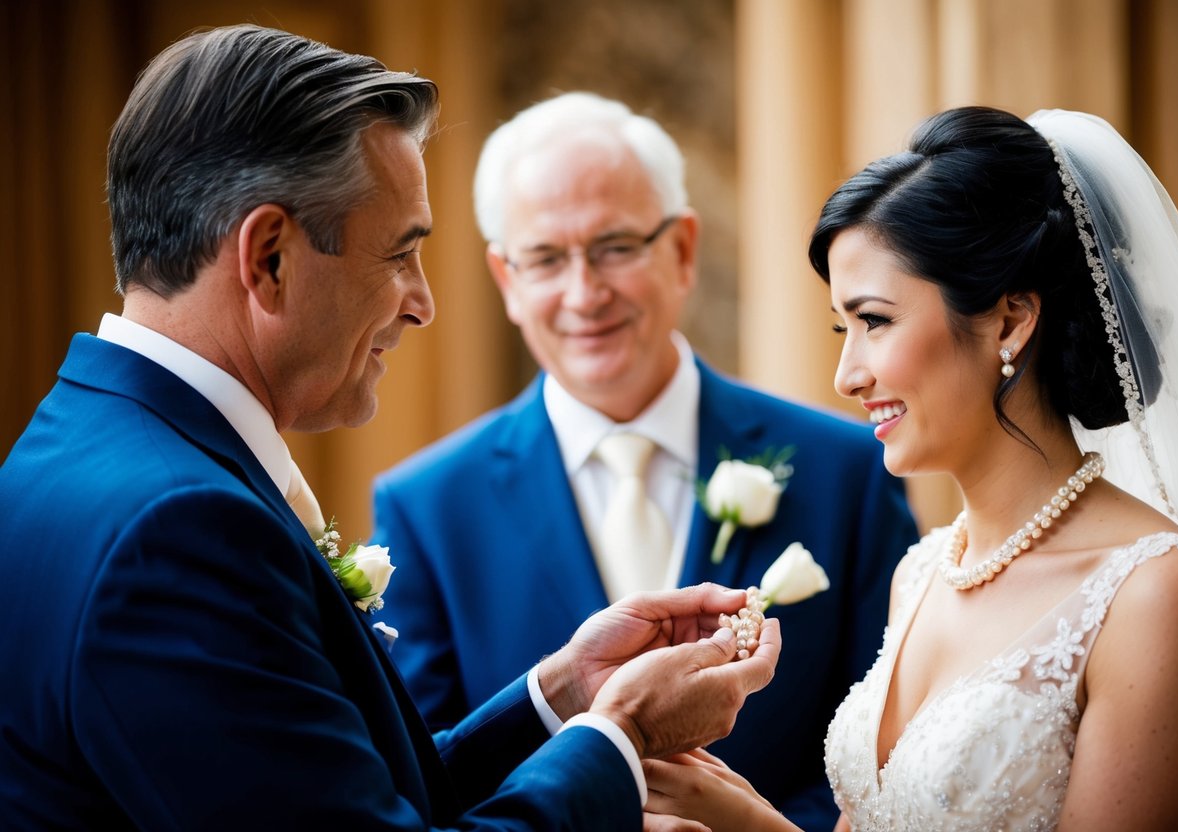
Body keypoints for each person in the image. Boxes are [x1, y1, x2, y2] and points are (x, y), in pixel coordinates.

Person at [0, 26, 784, 831]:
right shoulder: (173, 531)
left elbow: (324, 794)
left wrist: (560, 697)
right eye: (399, 255)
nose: (422, 302)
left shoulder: (81, 444)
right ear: (268, 256)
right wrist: (624, 735)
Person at [639, 106, 1178, 831]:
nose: (846, 375)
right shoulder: (921, 572)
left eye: (874, 322)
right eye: (839, 330)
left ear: (1008, 321)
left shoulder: (1153, 592)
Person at [370, 91, 918, 830]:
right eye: (544, 259)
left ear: (684, 249)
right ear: (506, 280)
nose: (582, 292)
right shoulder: (426, 506)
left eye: (615, 247)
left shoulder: (846, 471)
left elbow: (889, 746)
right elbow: (426, 777)